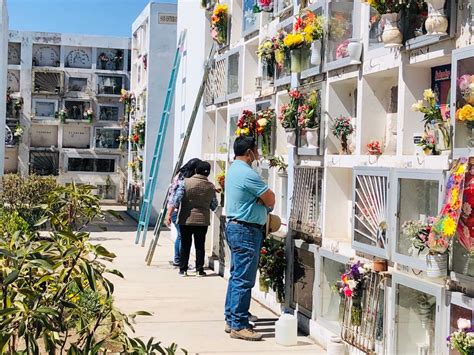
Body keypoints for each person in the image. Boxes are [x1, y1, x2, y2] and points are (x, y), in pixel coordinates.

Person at [224, 136, 275, 341]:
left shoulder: (233, 169)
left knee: (236, 276)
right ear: (249, 152)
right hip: (246, 230)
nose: (258, 154)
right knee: (244, 279)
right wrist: (263, 203)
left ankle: (232, 318)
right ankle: (239, 325)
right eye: (256, 150)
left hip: (236, 227)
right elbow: (270, 198)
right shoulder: (247, 173)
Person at [167, 161, 219, 276]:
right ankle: (199, 270)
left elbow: (176, 200)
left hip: (186, 218)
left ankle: (183, 269)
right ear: (208, 173)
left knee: (185, 244)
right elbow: (214, 205)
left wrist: (169, 214)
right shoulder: (211, 186)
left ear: (196, 171)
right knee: (200, 245)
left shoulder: (185, 182)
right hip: (202, 220)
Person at [166, 158, 202, 267]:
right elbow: (175, 199)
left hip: (174, 211)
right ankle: (180, 261)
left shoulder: (179, 176)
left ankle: (178, 259)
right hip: (178, 211)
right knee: (182, 236)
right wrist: (169, 213)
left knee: (180, 236)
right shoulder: (185, 180)